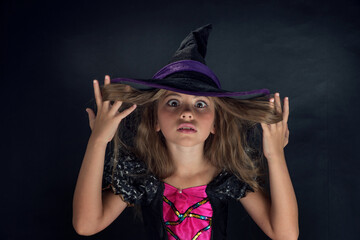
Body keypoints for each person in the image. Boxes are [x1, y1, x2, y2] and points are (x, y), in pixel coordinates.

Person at [72, 23, 299, 240]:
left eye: (200, 104)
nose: (187, 113)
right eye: (173, 102)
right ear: (155, 120)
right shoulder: (143, 177)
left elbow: (285, 234)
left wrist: (275, 155)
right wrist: (98, 141)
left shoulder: (228, 176)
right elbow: (86, 225)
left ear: (215, 124)